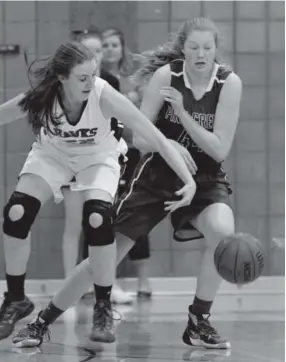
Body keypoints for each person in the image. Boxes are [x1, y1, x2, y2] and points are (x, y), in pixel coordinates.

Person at [12, 16, 242, 349]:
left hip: (205, 177)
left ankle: (198, 320)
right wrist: (171, 143)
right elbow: (142, 138)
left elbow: (219, 148)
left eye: (207, 47)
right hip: (157, 177)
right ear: (183, 48)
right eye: (193, 46)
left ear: (216, 49)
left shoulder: (228, 83)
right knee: (104, 257)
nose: (200, 53)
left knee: (225, 234)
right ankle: (40, 322)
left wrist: (184, 117)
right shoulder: (167, 77)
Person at [0, 40, 197, 343]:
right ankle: (15, 299)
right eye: (82, 78)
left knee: (97, 218)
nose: (90, 83)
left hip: (99, 158)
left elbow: (155, 136)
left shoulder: (104, 94)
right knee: (16, 213)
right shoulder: (43, 96)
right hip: (52, 156)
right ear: (61, 78)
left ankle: (103, 306)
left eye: (93, 75)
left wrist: (189, 180)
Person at [61, 28, 133, 304]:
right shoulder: (66, 82)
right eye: (88, 51)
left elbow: (117, 124)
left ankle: (105, 283)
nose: (95, 55)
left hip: (101, 162)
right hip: (70, 158)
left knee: (102, 225)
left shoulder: (109, 81)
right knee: (72, 225)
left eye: (99, 50)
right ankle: (68, 289)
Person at [102, 27, 152, 298]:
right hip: (104, 153)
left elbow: (145, 120)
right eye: (104, 45)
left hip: (130, 152)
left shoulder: (132, 81)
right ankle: (103, 280)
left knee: (136, 212)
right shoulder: (93, 80)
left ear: (122, 48)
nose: (109, 50)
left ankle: (144, 281)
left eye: (113, 45)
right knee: (102, 215)